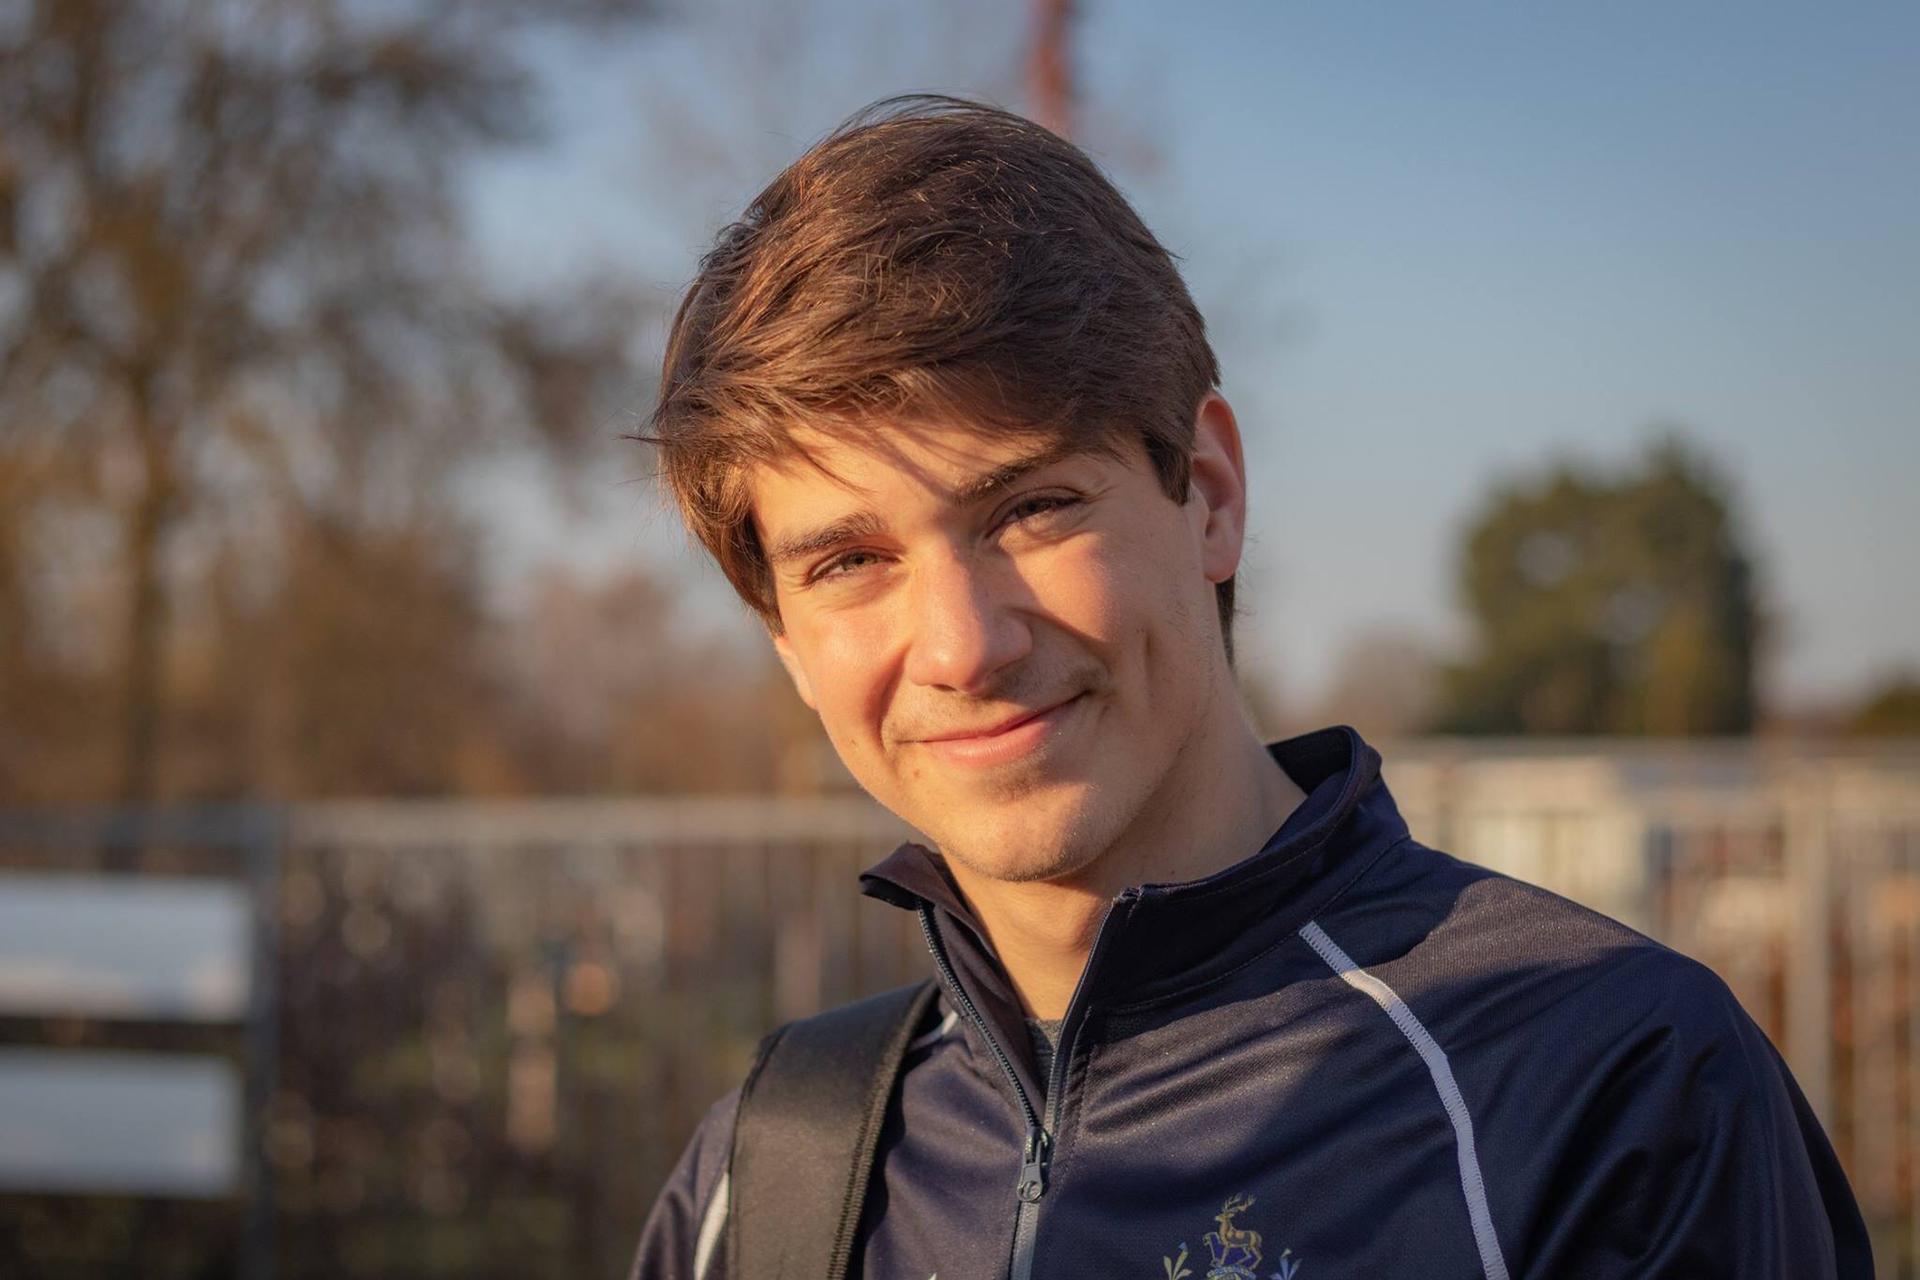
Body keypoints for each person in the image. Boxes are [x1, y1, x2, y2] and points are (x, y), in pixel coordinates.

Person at [628, 96, 1871, 1280]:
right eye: (849, 561)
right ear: (785, 638)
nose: (961, 645)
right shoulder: (767, 1169)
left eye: (1032, 506)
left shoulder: (1609, 1087)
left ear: (1209, 494)